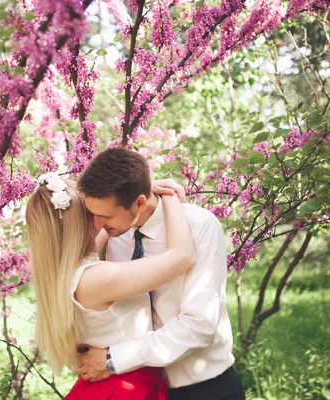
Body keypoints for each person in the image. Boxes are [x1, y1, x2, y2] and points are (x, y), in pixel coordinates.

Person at [75, 148, 245, 400]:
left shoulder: (198, 226)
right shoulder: (115, 232)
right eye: (94, 215)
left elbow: (200, 325)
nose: (97, 224)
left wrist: (112, 359)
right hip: (139, 389)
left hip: (203, 389)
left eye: (105, 216)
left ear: (139, 203)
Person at [25, 170, 195, 399]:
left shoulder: (63, 270)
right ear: (78, 225)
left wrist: (137, 193)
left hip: (110, 385)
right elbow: (183, 256)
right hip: (124, 388)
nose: (99, 216)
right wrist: (170, 196)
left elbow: (107, 225)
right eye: (90, 211)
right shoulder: (96, 279)